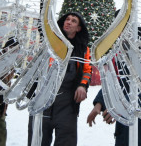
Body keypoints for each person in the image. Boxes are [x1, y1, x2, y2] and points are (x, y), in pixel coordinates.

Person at [86, 27, 141, 146]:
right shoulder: (120, 53)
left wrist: (119, 107)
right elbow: (114, 81)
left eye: (122, 27)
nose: (118, 35)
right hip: (127, 129)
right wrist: (99, 103)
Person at [27, 12, 92, 146]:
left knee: (66, 141)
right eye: (67, 19)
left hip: (67, 101)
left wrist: (82, 85)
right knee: (37, 140)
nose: (68, 22)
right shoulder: (50, 42)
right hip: (42, 97)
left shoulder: (83, 49)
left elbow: (87, 70)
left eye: (73, 21)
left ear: (79, 28)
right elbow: (44, 23)